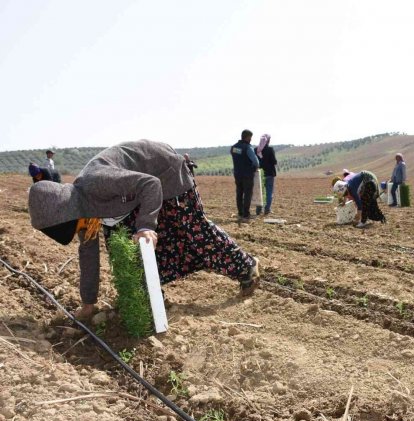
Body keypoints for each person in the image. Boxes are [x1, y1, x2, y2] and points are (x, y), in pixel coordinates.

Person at [28, 139, 260, 320]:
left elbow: (150, 184)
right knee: (124, 249)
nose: (82, 231)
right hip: (132, 199)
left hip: (166, 176)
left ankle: (246, 268)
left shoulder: (96, 182)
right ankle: (148, 296)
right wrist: (88, 304)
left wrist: (147, 226)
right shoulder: (82, 215)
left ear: (66, 214)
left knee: (194, 233)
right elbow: (88, 255)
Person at [231, 130, 260, 222]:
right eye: (250, 137)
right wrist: (255, 167)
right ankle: (246, 214)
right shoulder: (248, 147)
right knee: (247, 194)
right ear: (247, 137)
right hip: (247, 174)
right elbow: (256, 161)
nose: (251, 139)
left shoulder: (234, 147)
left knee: (239, 193)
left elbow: (237, 157)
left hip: (237, 174)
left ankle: (240, 212)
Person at [258, 134, 277, 215]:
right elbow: (274, 161)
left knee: (260, 192)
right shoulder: (270, 149)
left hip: (259, 175)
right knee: (269, 192)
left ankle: (258, 210)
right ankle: (267, 209)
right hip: (269, 174)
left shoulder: (256, 149)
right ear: (268, 141)